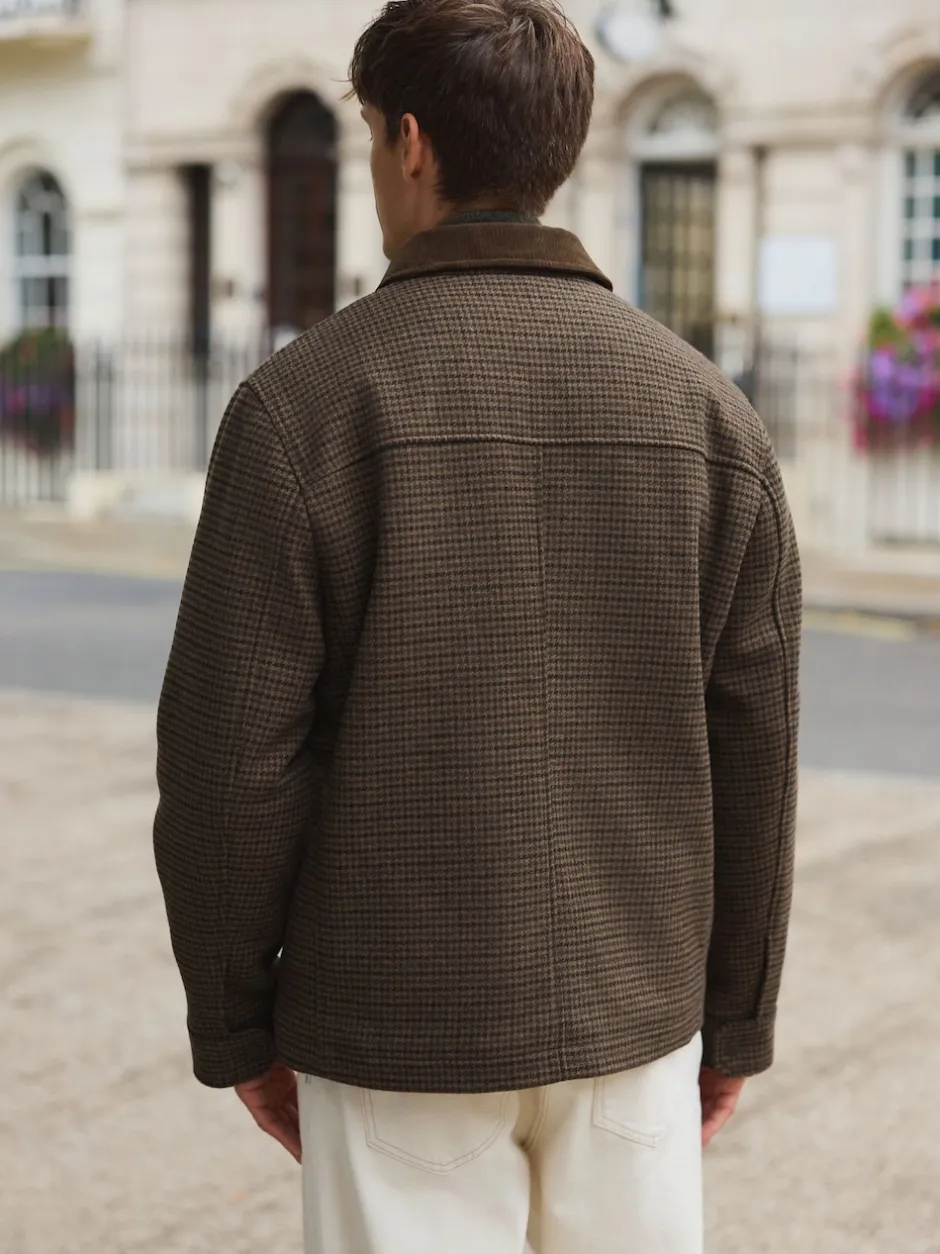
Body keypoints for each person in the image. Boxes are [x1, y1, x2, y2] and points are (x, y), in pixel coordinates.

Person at [153, 2, 802, 1251]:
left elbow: (228, 767)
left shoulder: (301, 407)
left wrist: (234, 1024)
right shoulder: (709, 416)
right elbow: (756, 757)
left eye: (365, 136)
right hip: (634, 1014)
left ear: (409, 143)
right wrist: (737, 1020)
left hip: (392, 1020)